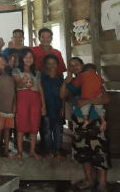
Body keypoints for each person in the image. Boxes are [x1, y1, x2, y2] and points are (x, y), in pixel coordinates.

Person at [60, 57, 110, 192]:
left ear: (82, 65)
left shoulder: (94, 79)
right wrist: (65, 82)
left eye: (77, 64)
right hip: (79, 122)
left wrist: (88, 102)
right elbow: (62, 96)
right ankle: (89, 180)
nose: (75, 67)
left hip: (96, 121)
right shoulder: (74, 84)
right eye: (71, 65)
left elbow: (106, 98)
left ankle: (102, 183)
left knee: (100, 150)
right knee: (83, 151)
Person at [11, 48, 46, 160]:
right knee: (21, 126)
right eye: (26, 57)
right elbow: (17, 86)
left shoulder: (37, 72)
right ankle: (20, 151)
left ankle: (32, 151)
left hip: (35, 99)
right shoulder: (16, 71)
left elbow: (40, 88)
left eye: (31, 57)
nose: (28, 59)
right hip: (22, 98)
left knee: (34, 125)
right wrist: (24, 80)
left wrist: (43, 105)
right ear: (21, 58)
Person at [41, 54, 65, 160]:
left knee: (59, 131)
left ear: (58, 64)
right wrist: (43, 106)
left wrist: (63, 108)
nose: (52, 66)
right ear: (45, 65)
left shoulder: (60, 77)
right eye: (49, 64)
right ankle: (48, 150)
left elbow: (63, 94)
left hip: (58, 108)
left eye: (54, 63)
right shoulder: (42, 77)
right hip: (46, 108)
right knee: (47, 131)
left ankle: (58, 150)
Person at [0, 54, 15, 157]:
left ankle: (6, 148)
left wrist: (14, 104)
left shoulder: (11, 74)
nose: (1, 63)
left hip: (9, 105)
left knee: (7, 130)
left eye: (2, 60)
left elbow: (15, 91)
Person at [74, 63, 107, 131]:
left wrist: (87, 101)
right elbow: (102, 82)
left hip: (86, 97)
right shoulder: (97, 76)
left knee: (85, 109)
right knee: (100, 109)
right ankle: (103, 120)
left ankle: (86, 120)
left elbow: (106, 99)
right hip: (97, 95)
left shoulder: (82, 77)